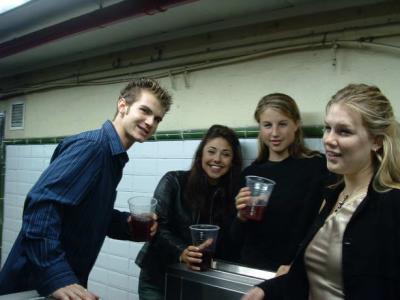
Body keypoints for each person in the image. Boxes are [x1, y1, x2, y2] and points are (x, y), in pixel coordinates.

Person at [0, 78, 172, 300]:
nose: (150, 122)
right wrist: (57, 276)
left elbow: (83, 212)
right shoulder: (93, 148)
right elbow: (40, 208)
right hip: (31, 285)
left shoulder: (112, 157)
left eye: (157, 118)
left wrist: (125, 224)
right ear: (123, 106)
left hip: (60, 284)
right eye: (145, 111)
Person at [242, 83, 400, 300]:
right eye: (328, 128)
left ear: (376, 140)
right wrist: (266, 289)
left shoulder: (389, 203)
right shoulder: (335, 195)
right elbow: (312, 274)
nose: (328, 140)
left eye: (343, 131)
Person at [135, 124, 243, 300]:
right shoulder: (174, 181)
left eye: (226, 154)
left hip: (195, 279)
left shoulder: (232, 196)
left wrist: (241, 218)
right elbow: (156, 228)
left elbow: (231, 240)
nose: (217, 159)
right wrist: (182, 251)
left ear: (232, 162)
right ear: (201, 155)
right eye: (212, 151)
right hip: (158, 275)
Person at [232, 93, 329, 271]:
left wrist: (297, 265)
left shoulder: (317, 167)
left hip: (294, 270)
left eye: (282, 124)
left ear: (296, 124)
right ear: (260, 128)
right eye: (267, 125)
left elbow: (324, 225)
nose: (274, 133)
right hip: (254, 269)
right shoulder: (251, 174)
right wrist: (241, 217)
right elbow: (235, 239)